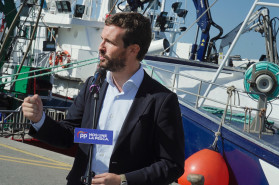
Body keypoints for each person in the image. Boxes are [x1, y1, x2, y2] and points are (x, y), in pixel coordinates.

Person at [22, 12, 185, 185]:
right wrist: (39, 120)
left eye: (110, 42)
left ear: (133, 50)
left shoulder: (161, 100)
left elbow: (171, 165)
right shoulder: (94, 86)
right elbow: (71, 135)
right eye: (102, 39)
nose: (101, 47)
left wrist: (123, 181)